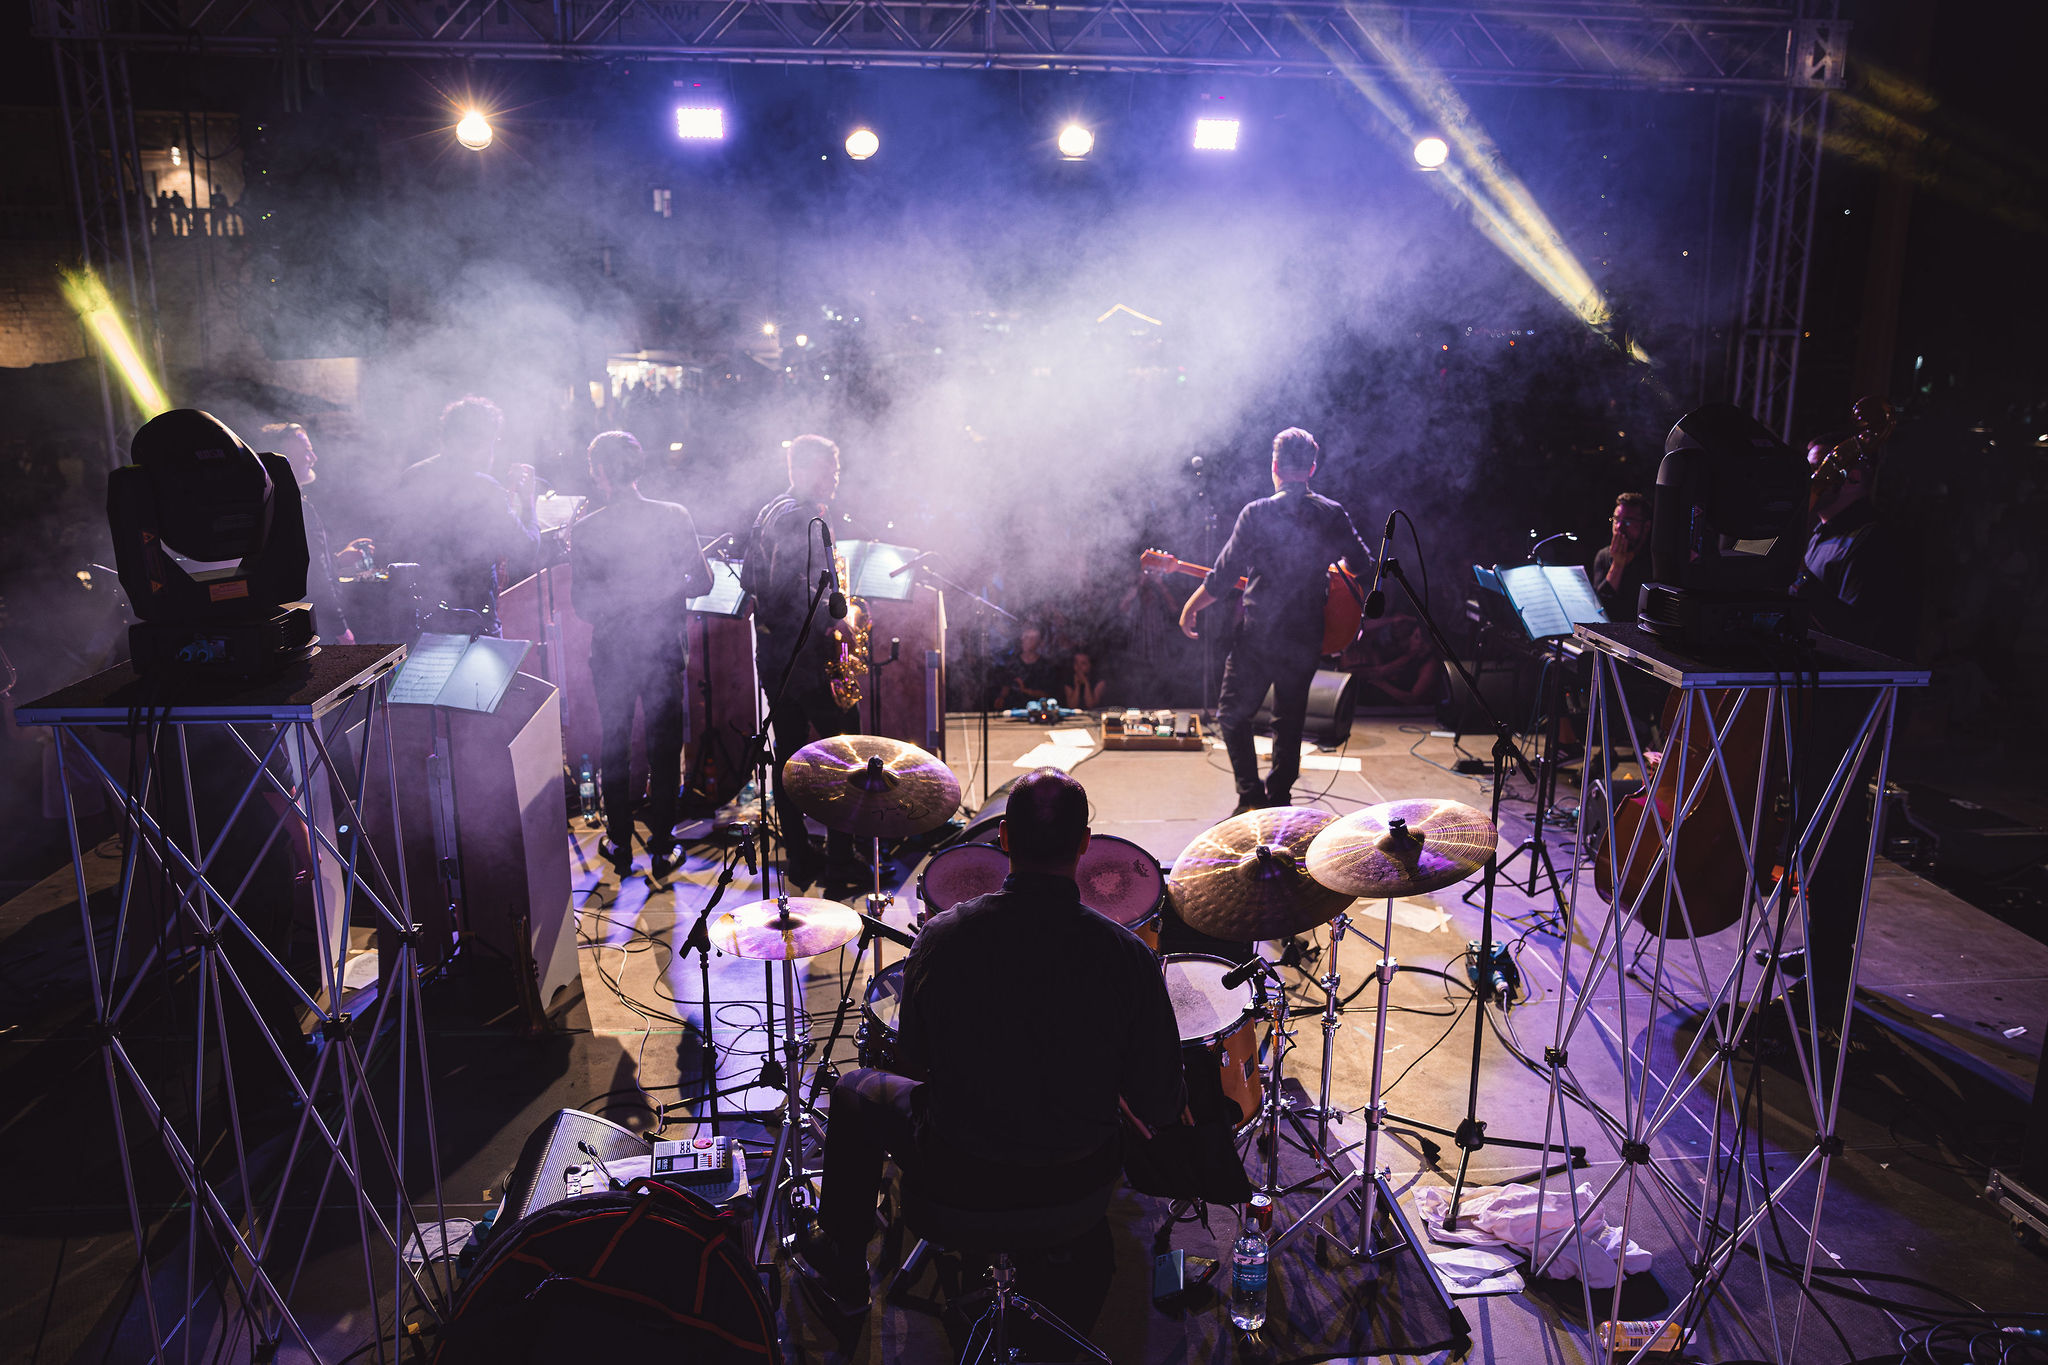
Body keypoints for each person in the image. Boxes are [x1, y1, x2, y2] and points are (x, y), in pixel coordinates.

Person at [793, 768, 1187, 1316]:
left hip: (958, 1179)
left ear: (1002, 839)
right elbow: (1161, 1102)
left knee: (857, 1090)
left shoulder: (943, 936)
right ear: (1084, 846)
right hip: (1079, 1188)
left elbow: (916, 1061)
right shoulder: (1128, 957)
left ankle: (845, 1274)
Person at [1784, 431, 1919, 1036]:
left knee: (1835, 853)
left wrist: (1800, 585)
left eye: (1820, 471)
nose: (1811, 480)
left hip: (1847, 720)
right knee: (1809, 847)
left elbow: (1864, 638)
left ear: (1854, 477)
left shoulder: (1875, 542)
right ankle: (1812, 952)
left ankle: (1827, 986)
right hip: (1810, 711)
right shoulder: (1819, 532)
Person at [1178, 427, 1373, 814]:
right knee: (1289, 719)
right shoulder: (1332, 513)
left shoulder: (1257, 512)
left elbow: (1222, 576)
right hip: (1306, 633)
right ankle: (1279, 796)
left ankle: (1250, 797)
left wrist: (1190, 607)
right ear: (1312, 468)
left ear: (1275, 467)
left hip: (1260, 633)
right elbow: (1362, 563)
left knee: (1234, 715)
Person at [569, 431, 711, 879]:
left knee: (615, 745)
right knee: (665, 748)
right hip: (663, 649)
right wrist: (663, 591)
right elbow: (703, 582)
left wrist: (623, 602)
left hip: (611, 653)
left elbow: (582, 607)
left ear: (601, 471)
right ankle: (664, 846)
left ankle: (619, 844)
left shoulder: (587, 529)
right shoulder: (673, 516)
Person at [742, 434, 862, 887]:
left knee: (789, 755)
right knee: (844, 752)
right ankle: (841, 858)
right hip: (805, 658)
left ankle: (799, 855)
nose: (835, 479)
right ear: (807, 470)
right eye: (830, 470)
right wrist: (837, 622)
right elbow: (789, 590)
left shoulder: (770, 509)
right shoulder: (806, 519)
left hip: (774, 655)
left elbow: (758, 582)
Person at [389, 396, 537, 632]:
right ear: (480, 442)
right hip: (473, 622)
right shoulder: (484, 487)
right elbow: (526, 549)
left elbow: (395, 542)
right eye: (493, 441)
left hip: (420, 619)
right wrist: (528, 502)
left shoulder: (413, 476)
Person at [262, 422, 372, 647]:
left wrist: (339, 558)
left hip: (296, 623)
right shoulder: (297, 509)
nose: (313, 457)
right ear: (285, 460)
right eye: (306, 450)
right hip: (317, 626)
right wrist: (341, 628)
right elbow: (317, 578)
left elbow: (303, 565)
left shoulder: (269, 506)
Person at [1592, 490, 1651, 621]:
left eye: (1628, 521)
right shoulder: (1603, 556)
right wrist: (1617, 565)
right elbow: (1599, 609)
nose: (1619, 527)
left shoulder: (1653, 561)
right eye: (1616, 520)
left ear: (1646, 527)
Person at [994, 623, 1063, 709]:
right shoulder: (1012, 663)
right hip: (1014, 710)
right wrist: (1001, 698)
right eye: (1025, 637)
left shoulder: (1046, 666)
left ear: (1039, 642)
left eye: (1031, 638)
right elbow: (1006, 686)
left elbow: (1048, 694)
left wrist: (1026, 691)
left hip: (1038, 712)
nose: (1026, 641)